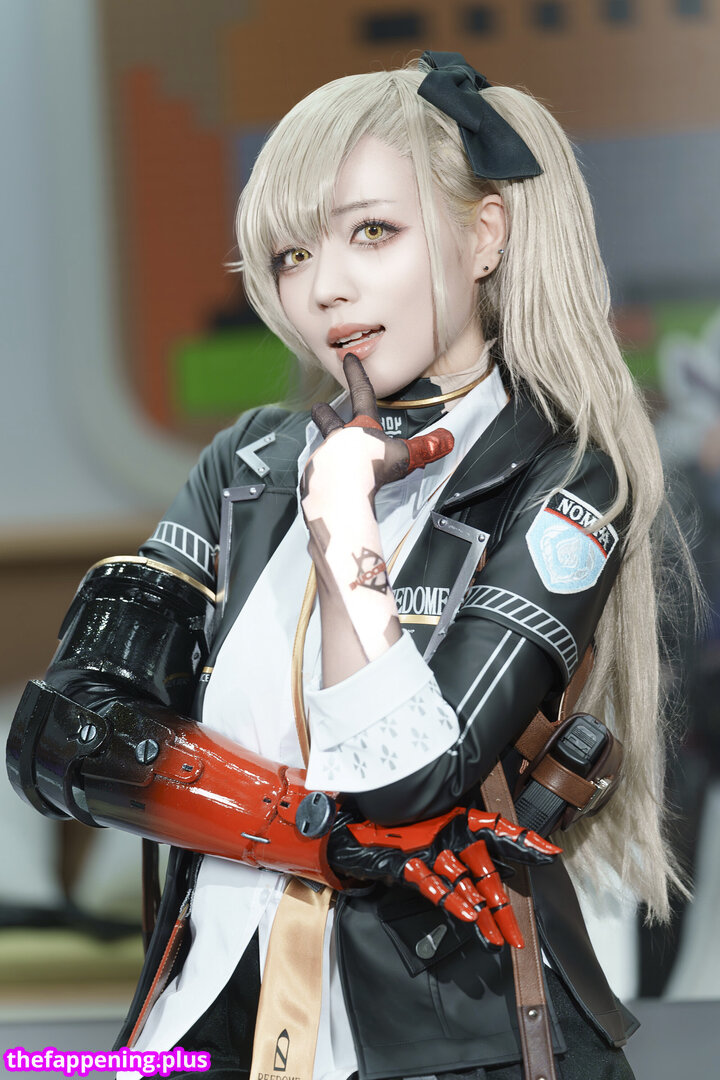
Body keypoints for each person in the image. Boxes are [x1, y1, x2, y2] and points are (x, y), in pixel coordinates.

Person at [7, 51, 684, 1080]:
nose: (324, 287)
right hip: (203, 1020)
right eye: (291, 254)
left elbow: (410, 782)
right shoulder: (247, 464)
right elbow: (63, 738)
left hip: (455, 1035)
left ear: (484, 234)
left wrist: (342, 532)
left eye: (372, 232)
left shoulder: (564, 478)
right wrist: (312, 832)